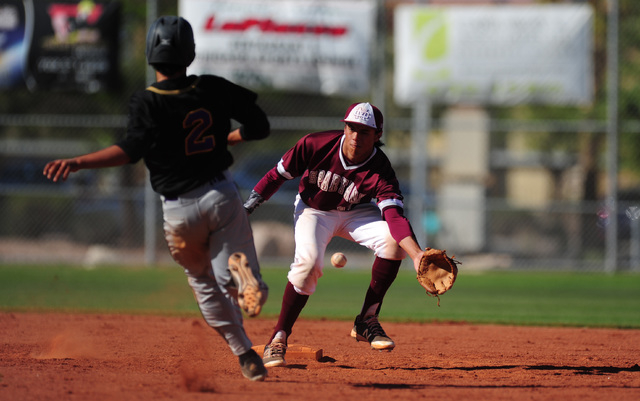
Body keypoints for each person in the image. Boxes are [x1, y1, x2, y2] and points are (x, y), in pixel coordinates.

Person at [43, 16, 270, 381]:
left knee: (201, 284)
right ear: (190, 53)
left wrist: (79, 162)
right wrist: (230, 138)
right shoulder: (211, 88)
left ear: (151, 54)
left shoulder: (146, 102)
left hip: (178, 212)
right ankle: (240, 281)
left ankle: (243, 351)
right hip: (220, 194)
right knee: (230, 268)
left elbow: (130, 150)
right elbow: (260, 126)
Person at [243, 102, 426, 367]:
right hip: (313, 210)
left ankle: (366, 320)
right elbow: (276, 176)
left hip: (356, 212)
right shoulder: (315, 144)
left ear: (377, 136)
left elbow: (394, 217)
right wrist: (248, 207)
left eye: (364, 131)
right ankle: (278, 337)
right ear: (344, 126)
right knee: (308, 265)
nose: (355, 136)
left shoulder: (381, 170)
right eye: (351, 128)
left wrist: (417, 255)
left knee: (392, 241)